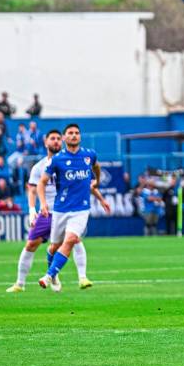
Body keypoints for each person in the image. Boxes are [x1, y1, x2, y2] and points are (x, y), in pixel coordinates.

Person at [6, 130, 96, 293]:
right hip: (48, 212)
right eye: (51, 139)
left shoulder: (69, 161)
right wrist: (33, 209)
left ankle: (81, 277)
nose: (55, 141)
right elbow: (32, 190)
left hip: (68, 209)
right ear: (45, 142)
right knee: (31, 244)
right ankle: (20, 283)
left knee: (74, 240)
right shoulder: (39, 167)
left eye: (57, 138)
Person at [37, 124, 110, 292]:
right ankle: (54, 274)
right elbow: (41, 182)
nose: (74, 136)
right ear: (64, 138)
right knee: (54, 247)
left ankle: (48, 276)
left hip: (81, 209)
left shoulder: (89, 155)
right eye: (70, 133)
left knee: (70, 239)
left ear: (80, 137)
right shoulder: (57, 159)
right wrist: (43, 203)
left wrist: (97, 183)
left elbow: (96, 168)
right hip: (61, 209)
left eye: (77, 133)